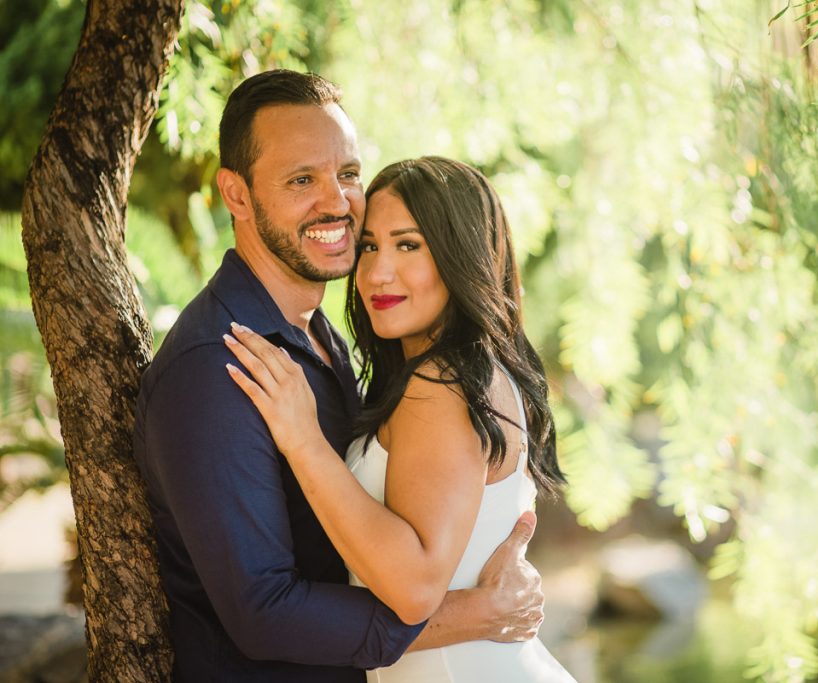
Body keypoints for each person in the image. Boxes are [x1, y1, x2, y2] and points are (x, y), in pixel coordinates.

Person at [133, 71, 544, 682]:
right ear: (237, 195)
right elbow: (264, 613)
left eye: (347, 174)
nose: (338, 202)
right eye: (302, 180)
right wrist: (470, 613)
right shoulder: (217, 369)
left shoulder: (327, 342)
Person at [222, 156, 577, 682]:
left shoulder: (443, 384)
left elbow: (413, 590)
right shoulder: (461, 374)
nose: (377, 272)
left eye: (408, 245)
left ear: (462, 256)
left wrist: (303, 440)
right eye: (369, 247)